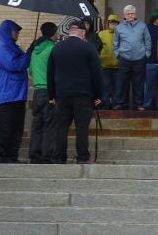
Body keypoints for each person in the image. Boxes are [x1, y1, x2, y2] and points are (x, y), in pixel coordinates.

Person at [47, 21, 103, 164]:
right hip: (83, 95)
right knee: (82, 127)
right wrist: (98, 95)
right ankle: (82, 157)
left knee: (61, 127)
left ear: (69, 31)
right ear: (82, 33)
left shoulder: (57, 48)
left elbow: (50, 73)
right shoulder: (89, 48)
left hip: (62, 95)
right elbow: (97, 73)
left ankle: (59, 157)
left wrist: (51, 95)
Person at [0, 19, 30, 163]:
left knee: (16, 129)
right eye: (15, 31)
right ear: (7, 31)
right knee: (6, 128)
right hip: (7, 95)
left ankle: (12, 156)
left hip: (18, 94)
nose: (18, 33)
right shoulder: (1, 48)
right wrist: (28, 54)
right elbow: (14, 65)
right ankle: (2, 156)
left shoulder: (13, 48)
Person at [28, 22, 58, 164]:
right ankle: (47, 156)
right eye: (56, 32)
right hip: (49, 91)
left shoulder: (34, 50)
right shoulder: (52, 48)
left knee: (37, 125)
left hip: (37, 91)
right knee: (49, 124)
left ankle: (34, 155)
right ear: (53, 33)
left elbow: (31, 72)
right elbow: (57, 72)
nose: (57, 35)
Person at [112, 5, 151, 110]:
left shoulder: (142, 26)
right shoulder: (118, 28)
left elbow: (148, 41)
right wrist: (117, 55)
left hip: (139, 59)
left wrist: (146, 54)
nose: (130, 15)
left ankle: (138, 104)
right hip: (124, 59)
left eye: (132, 13)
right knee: (122, 82)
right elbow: (115, 43)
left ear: (135, 14)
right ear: (124, 15)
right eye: (128, 14)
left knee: (138, 83)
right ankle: (120, 103)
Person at [143, 9, 158, 110]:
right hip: (150, 62)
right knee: (149, 85)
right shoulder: (146, 28)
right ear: (155, 18)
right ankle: (147, 104)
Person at [97, 14, 120, 109]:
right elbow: (97, 48)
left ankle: (115, 106)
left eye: (115, 22)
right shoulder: (101, 34)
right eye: (111, 22)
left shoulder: (121, 34)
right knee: (105, 88)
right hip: (104, 66)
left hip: (117, 66)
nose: (113, 24)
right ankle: (105, 107)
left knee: (116, 89)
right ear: (108, 23)